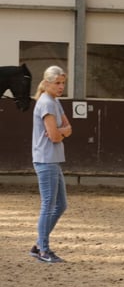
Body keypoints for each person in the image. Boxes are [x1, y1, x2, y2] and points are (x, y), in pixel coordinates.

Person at [29, 65, 72, 263]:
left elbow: (68, 128)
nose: (61, 86)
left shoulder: (55, 101)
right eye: (57, 83)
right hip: (46, 159)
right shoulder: (46, 103)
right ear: (47, 84)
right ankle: (43, 250)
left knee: (60, 204)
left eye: (63, 83)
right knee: (48, 205)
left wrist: (61, 131)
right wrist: (61, 131)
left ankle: (39, 245)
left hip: (53, 159)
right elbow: (55, 135)